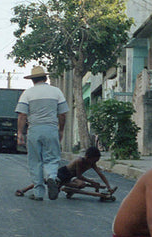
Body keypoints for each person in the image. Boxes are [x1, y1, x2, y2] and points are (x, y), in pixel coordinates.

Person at [16, 65, 68, 200]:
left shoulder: (27, 93)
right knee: (52, 157)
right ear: (46, 78)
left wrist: (20, 133)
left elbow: (22, 115)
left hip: (34, 130)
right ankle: (51, 177)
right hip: (51, 129)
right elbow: (62, 114)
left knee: (35, 161)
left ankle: (38, 193)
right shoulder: (56, 92)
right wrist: (61, 130)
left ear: (32, 80)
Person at [15, 146, 113, 197]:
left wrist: (108, 186)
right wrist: (92, 182)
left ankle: (66, 188)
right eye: (95, 160)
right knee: (44, 181)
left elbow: (100, 174)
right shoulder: (79, 161)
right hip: (63, 173)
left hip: (70, 177)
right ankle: (23, 189)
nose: (95, 162)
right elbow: (79, 176)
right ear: (88, 157)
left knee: (82, 185)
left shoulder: (92, 163)